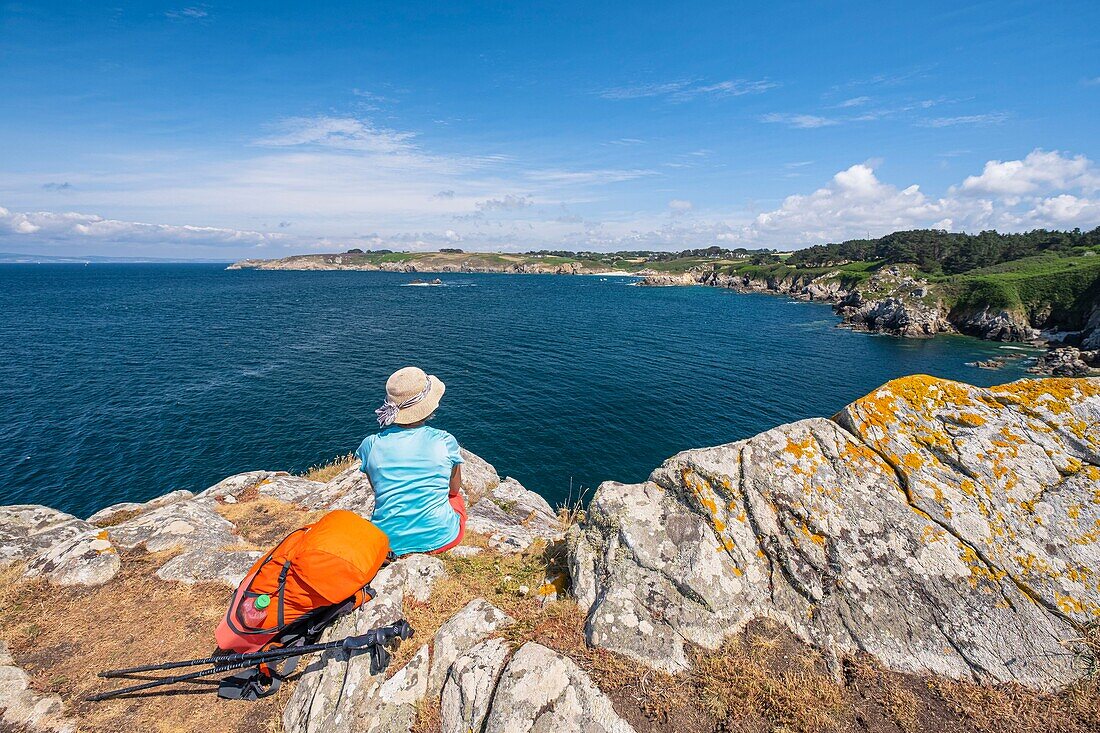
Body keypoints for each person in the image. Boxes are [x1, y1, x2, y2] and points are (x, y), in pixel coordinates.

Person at [355, 366, 466, 556]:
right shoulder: (445, 441)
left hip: (387, 543)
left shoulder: (370, 445)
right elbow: (453, 490)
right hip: (441, 537)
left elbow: (378, 489)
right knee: (457, 499)